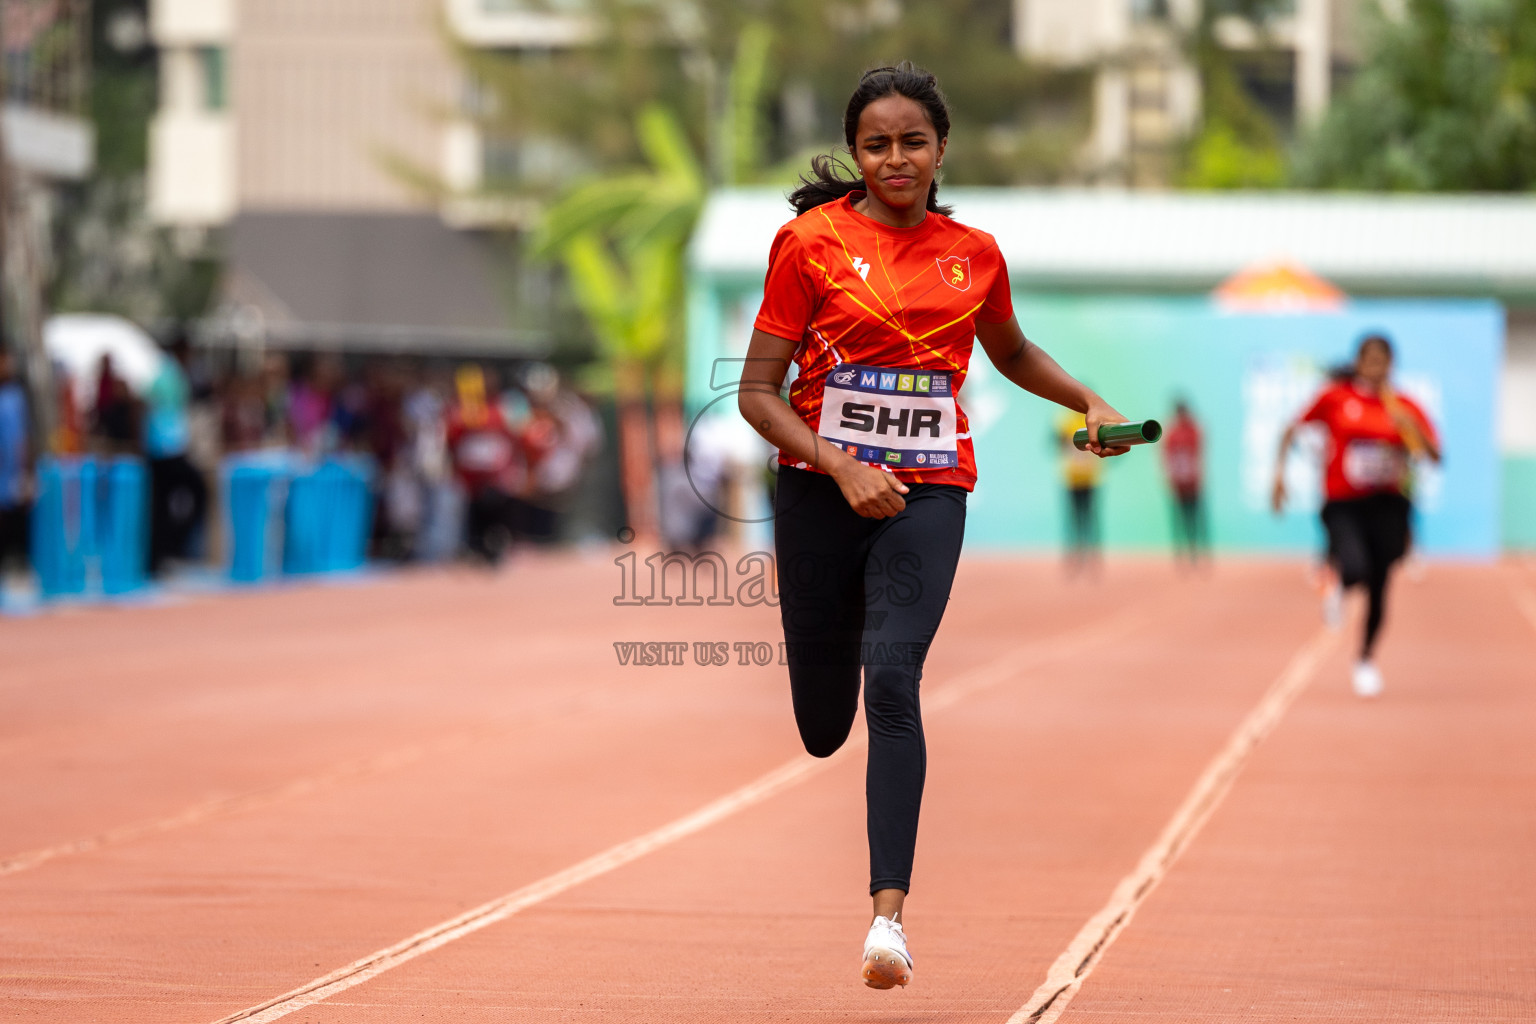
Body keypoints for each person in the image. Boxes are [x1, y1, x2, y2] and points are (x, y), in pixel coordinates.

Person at [736, 63, 1131, 991]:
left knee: (897, 679)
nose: (896, 157)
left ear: (941, 149)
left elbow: (1012, 349)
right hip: (818, 495)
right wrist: (838, 464)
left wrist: (1087, 397)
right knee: (825, 727)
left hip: (931, 492)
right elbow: (757, 392)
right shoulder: (809, 244)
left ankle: (888, 924)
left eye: (914, 141)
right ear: (857, 152)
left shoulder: (975, 253)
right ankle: (829, 711)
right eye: (877, 143)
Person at [1271, 334, 1440, 698]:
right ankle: (1338, 587)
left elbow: (1435, 454)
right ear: (1359, 363)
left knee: (1380, 586)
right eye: (1370, 360)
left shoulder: (1405, 405)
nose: (1376, 367)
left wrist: (1411, 430)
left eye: (1383, 361)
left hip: (1389, 505)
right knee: (1356, 565)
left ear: (1391, 365)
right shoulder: (1336, 398)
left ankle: (1364, 659)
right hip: (1343, 502)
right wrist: (1279, 476)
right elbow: (1290, 428)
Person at [144, 330, 208, 576]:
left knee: (165, 502)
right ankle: (165, 550)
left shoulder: (176, 374)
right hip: (163, 449)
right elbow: (147, 406)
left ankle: (163, 552)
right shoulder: (165, 374)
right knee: (191, 490)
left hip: (172, 447)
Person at [1056, 409, 1103, 576]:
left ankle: (1089, 559)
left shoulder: (1068, 421)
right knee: (1080, 520)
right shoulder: (1070, 421)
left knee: (1084, 520)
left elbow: (1057, 443)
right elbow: (1057, 442)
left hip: (1085, 478)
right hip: (1075, 478)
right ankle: (1080, 558)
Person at [1162, 399, 1207, 566]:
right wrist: (1169, 479)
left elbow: (1199, 455)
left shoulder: (1193, 430)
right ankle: (1181, 553)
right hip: (1178, 484)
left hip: (1193, 482)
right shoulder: (1173, 433)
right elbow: (1167, 457)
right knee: (1180, 519)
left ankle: (1196, 552)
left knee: (1195, 519)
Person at [0, 347, 31, 581]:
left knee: (12, 518)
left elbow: (21, 438)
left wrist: (24, 470)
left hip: (9, 472)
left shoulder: (14, 396)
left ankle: (15, 563)